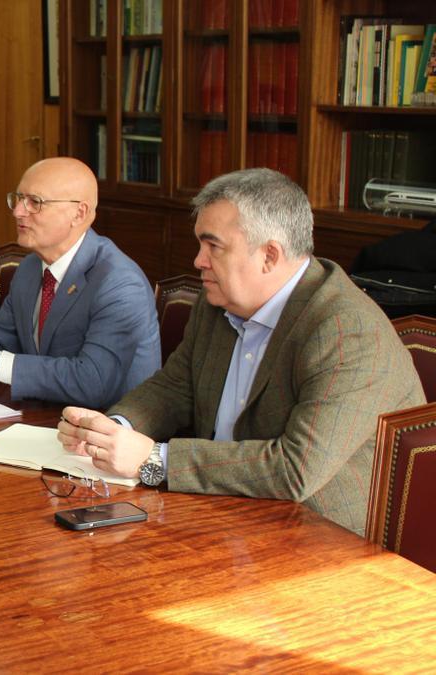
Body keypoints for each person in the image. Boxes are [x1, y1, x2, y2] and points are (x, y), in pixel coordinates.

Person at [57, 168, 425, 536]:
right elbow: (174, 387)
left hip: (320, 538)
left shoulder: (346, 331)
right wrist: (110, 431)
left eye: (213, 246)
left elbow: (295, 470)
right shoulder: (219, 302)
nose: (198, 261)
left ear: (269, 256)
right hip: (222, 511)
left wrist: (155, 460)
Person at [0, 157, 160, 408]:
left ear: (79, 213)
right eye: (18, 199)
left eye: (35, 202)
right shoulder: (31, 267)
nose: (18, 211)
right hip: (44, 416)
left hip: (106, 431)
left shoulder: (119, 283)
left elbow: (94, 382)